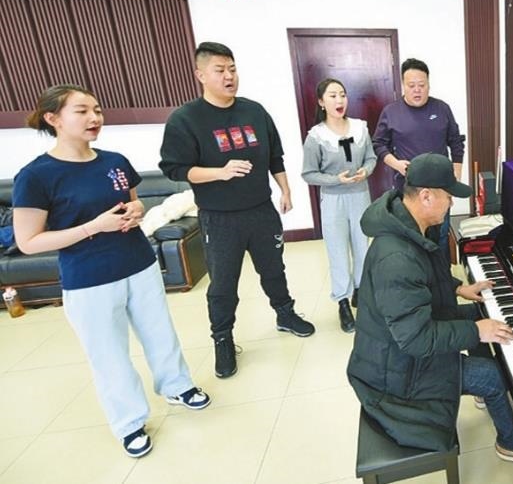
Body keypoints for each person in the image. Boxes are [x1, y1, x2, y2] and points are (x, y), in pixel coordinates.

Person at [13, 85, 210, 458]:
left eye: (98, 110)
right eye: (82, 111)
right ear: (53, 119)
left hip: (139, 263)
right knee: (108, 354)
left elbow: (132, 204)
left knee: (160, 333)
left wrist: (137, 211)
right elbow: (29, 241)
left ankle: (177, 385)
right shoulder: (36, 176)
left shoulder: (114, 161)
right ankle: (129, 421)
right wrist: (93, 227)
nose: (94, 118)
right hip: (89, 279)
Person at [347, 153, 513, 466]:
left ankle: (479, 390)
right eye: (448, 196)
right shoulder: (396, 258)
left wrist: (458, 288)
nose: (451, 203)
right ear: (426, 196)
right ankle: (510, 444)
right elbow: (416, 339)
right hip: (395, 372)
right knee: (492, 375)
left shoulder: (409, 225)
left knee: (482, 314)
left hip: (401, 345)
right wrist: (476, 332)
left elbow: (424, 277)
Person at [159, 42, 314, 380]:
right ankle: (223, 338)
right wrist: (220, 172)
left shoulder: (254, 111)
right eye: (220, 70)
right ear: (201, 75)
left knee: (273, 269)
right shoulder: (186, 119)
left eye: (232, 69)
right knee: (223, 283)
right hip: (219, 217)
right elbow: (174, 169)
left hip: (261, 210)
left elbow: (274, 156)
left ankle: (285, 314)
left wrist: (285, 190)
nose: (229, 76)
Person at [301, 78, 376, 332]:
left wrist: (366, 171)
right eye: (332, 96)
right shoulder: (316, 136)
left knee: (362, 247)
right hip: (333, 200)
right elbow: (309, 174)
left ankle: (361, 292)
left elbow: (371, 158)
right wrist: (336, 180)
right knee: (338, 252)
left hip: (360, 195)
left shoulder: (360, 128)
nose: (339, 100)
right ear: (321, 102)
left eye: (342, 94)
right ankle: (342, 301)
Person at [372, 58, 465, 263]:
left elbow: (456, 143)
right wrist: (396, 164)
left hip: (439, 188)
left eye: (421, 85)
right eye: (411, 85)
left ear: (428, 84)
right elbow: (378, 144)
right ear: (403, 86)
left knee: (440, 236)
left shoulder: (442, 108)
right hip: (408, 189)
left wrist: (456, 174)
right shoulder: (391, 112)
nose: (417, 90)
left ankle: (444, 279)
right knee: (412, 238)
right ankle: (419, 278)